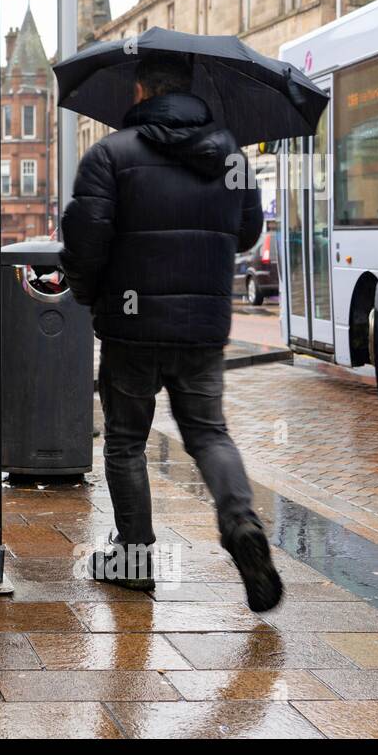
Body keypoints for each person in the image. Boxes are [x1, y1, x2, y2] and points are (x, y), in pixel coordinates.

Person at [60, 53, 284, 612]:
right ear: (192, 90)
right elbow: (247, 233)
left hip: (130, 328)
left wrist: (92, 297)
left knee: (127, 441)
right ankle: (241, 525)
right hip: (203, 326)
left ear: (140, 90)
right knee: (209, 434)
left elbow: (85, 244)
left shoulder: (110, 154)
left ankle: (134, 557)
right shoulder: (229, 154)